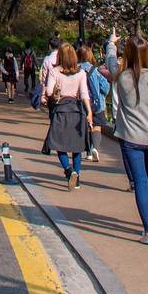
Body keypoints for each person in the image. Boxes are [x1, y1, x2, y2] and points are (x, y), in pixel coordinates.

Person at [105, 29, 148, 243]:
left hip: (131, 138)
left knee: (139, 181)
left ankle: (147, 231)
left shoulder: (122, 77)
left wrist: (111, 43)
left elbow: (111, 59)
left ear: (128, 55)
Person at [42, 41, 94, 188]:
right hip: (77, 110)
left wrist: (56, 89)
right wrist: (89, 112)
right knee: (77, 147)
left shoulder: (55, 71)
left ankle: (68, 171)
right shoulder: (81, 73)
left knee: (59, 144)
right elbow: (84, 94)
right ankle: (77, 177)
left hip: (61, 110)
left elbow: (49, 92)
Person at [77, 44, 110, 163]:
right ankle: (94, 148)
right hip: (96, 104)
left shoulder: (74, 69)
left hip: (79, 103)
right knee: (96, 127)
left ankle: (86, 151)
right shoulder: (94, 70)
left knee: (84, 127)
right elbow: (105, 86)